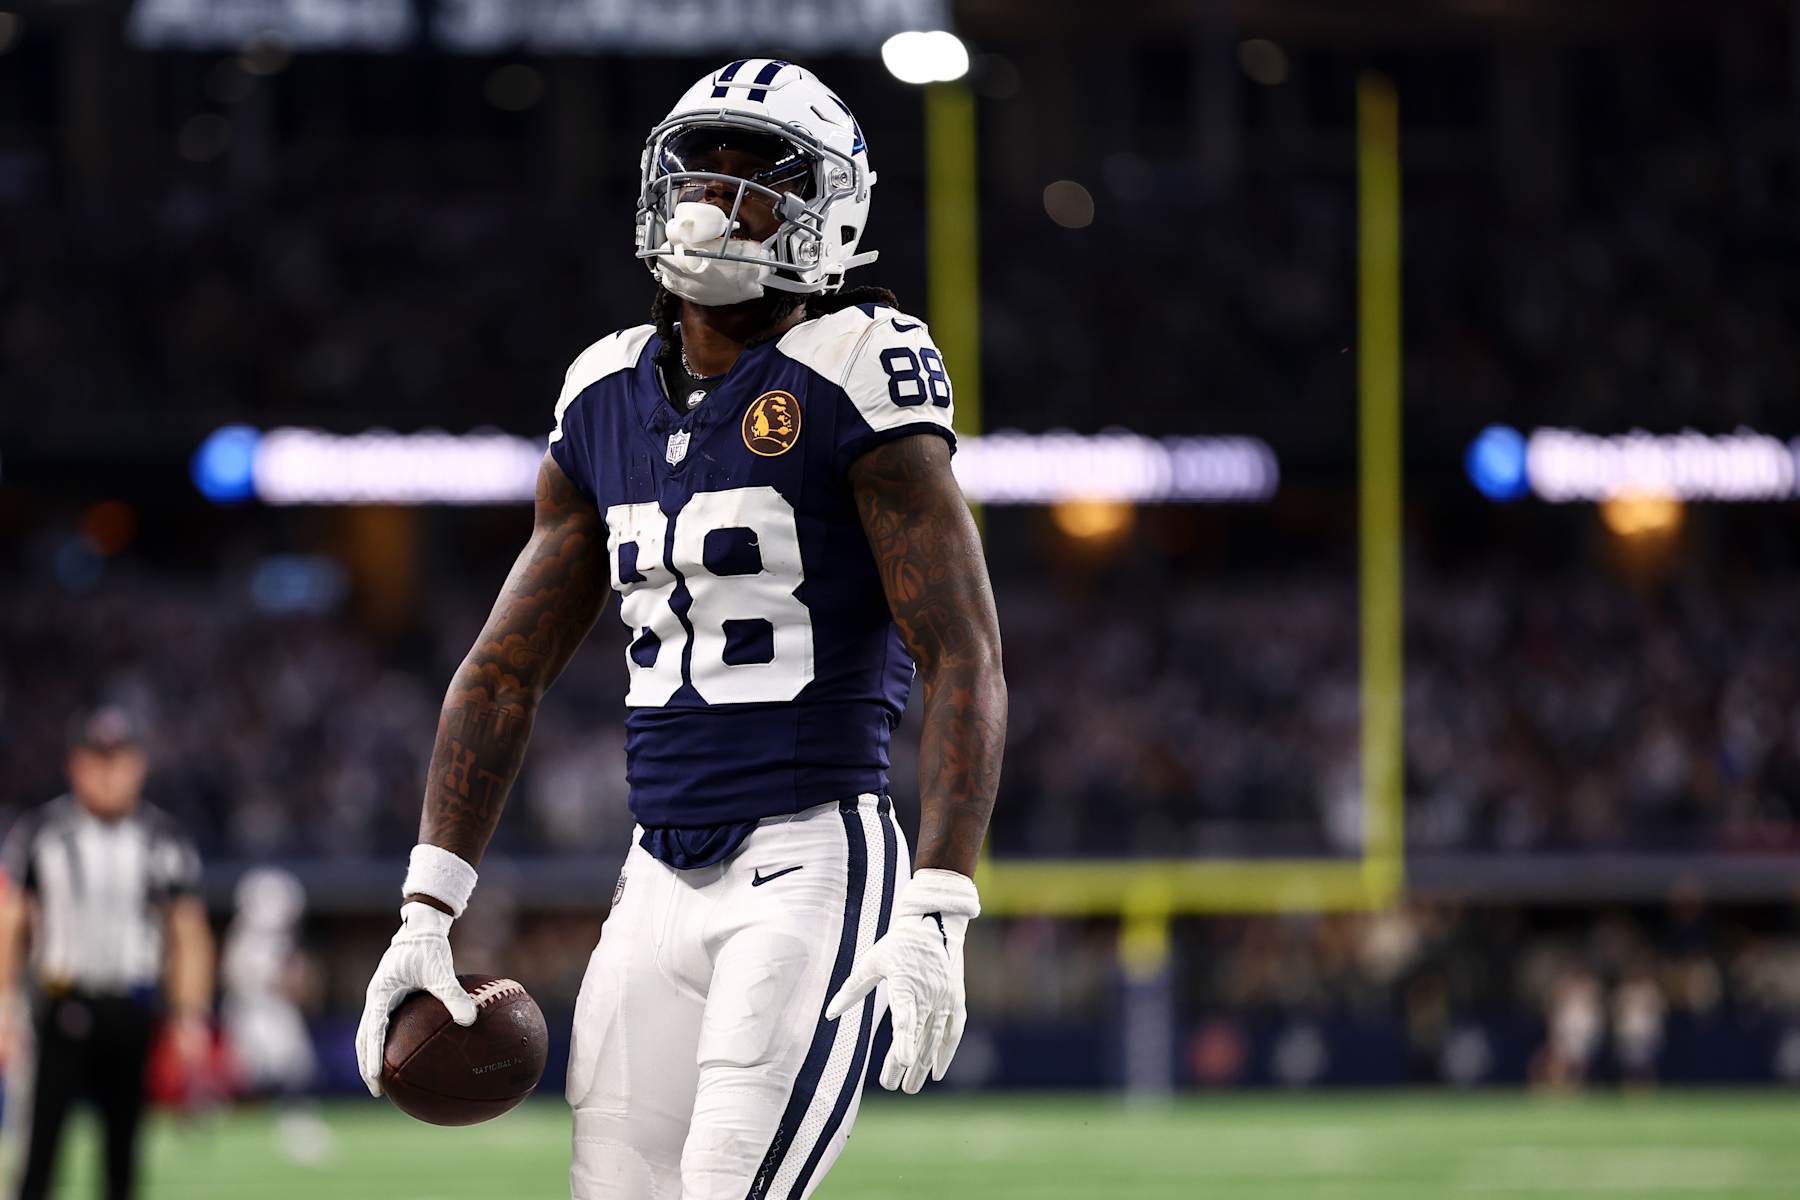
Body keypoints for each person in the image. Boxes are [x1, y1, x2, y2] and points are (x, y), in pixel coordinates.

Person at [355, 59, 1007, 1199]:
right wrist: (426, 906)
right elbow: (504, 673)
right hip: (652, 876)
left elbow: (963, 652)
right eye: (700, 169)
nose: (715, 200)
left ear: (827, 214)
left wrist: (942, 899)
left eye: (756, 182)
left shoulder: (859, 370)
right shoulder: (604, 392)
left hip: (808, 862)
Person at [0, 706, 214, 1200]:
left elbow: (188, 931)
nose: (109, 773)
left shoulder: (162, 839)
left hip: (131, 1010)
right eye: (97, 759)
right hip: (58, 1009)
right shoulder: (43, 834)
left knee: (122, 1158)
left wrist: (190, 1014)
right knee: (38, 1156)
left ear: (139, 765)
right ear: (76, 764)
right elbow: (11, 922)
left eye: (120, 759)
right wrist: (7, 1005)